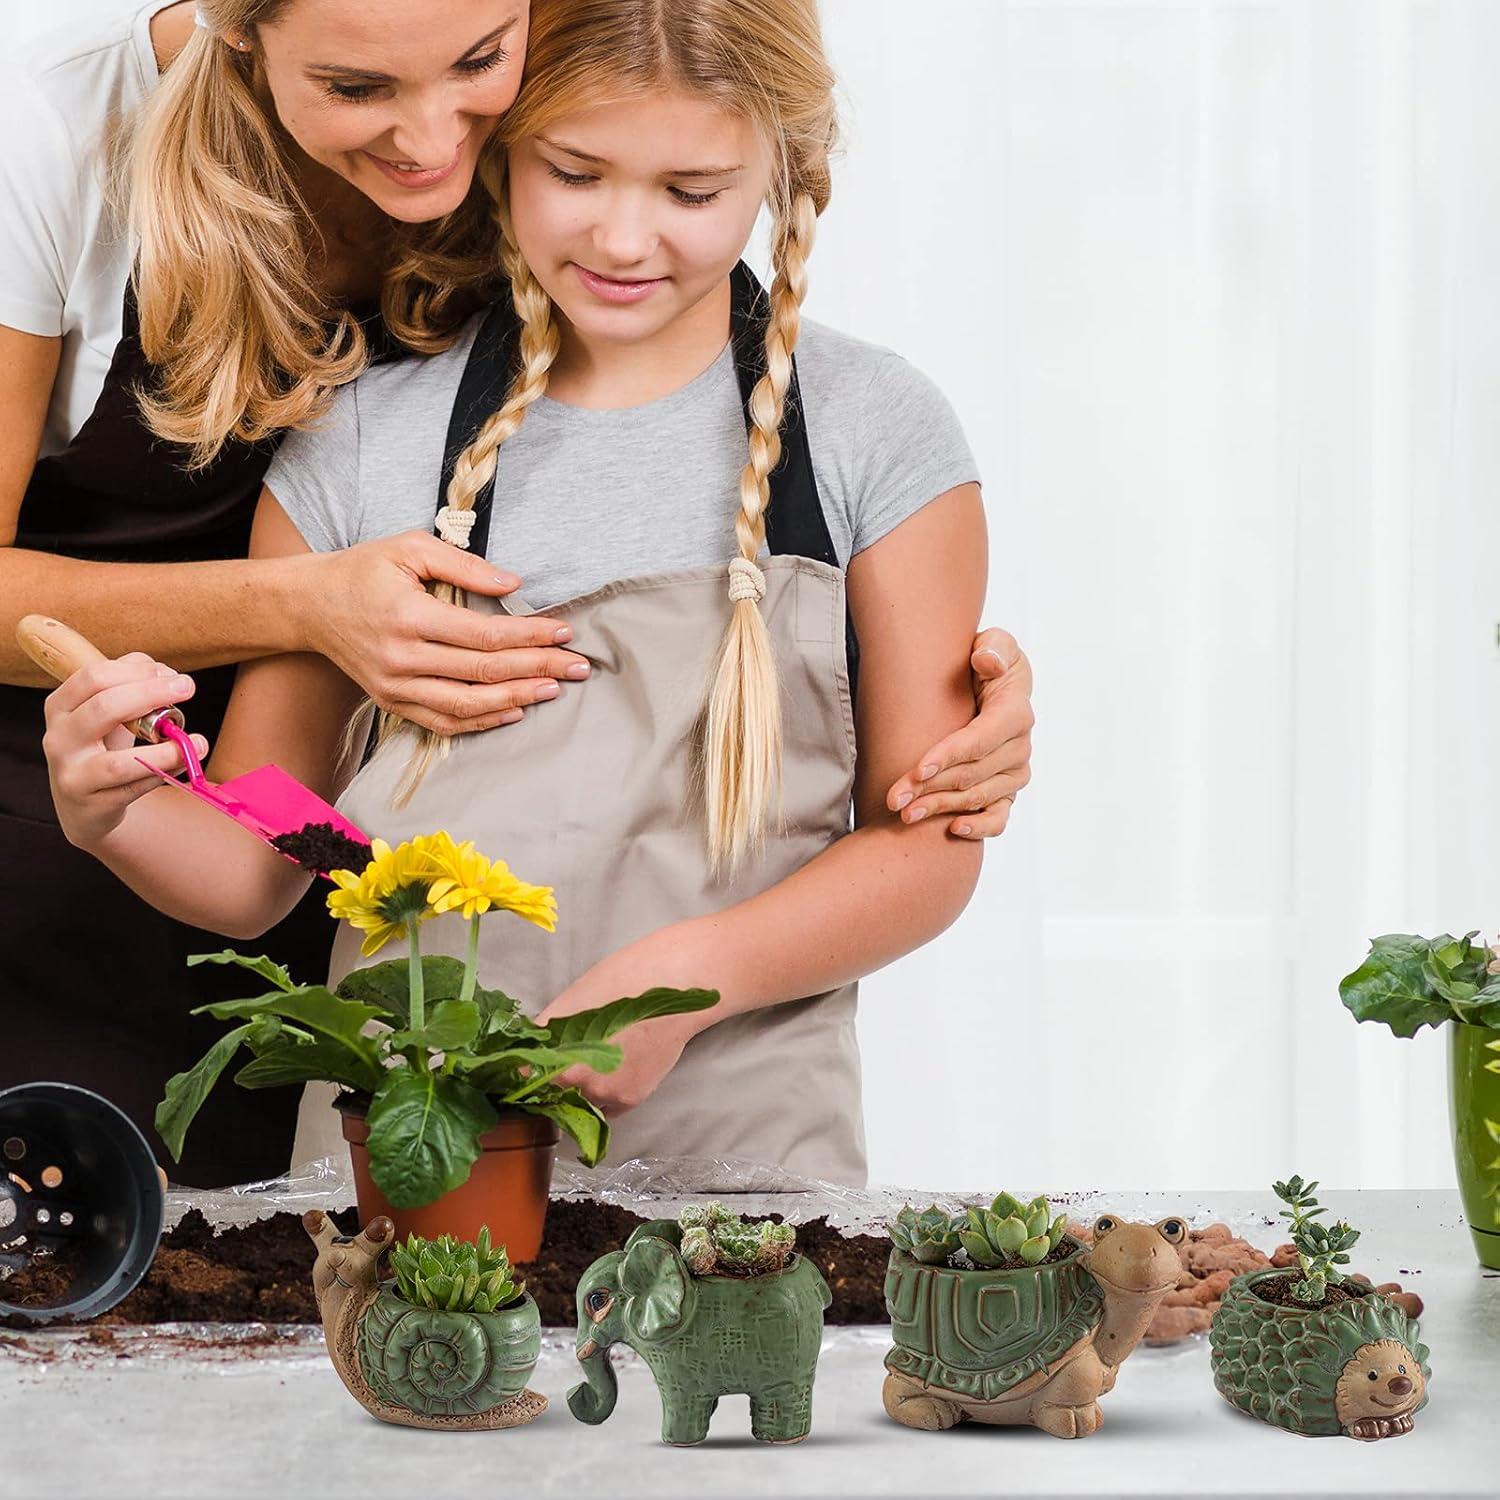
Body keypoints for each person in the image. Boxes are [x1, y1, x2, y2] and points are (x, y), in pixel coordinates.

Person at [26, 0, 1031, 1185]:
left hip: (742, 1156)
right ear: (503, 154)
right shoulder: (358, 440)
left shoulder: (874, 432)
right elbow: (271, 861)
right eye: (575, 171)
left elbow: (925, 849)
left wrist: (681, 992)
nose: (621, 236)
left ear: (785, 167)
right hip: (406, 1162)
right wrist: (117, 813)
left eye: (691, 192)